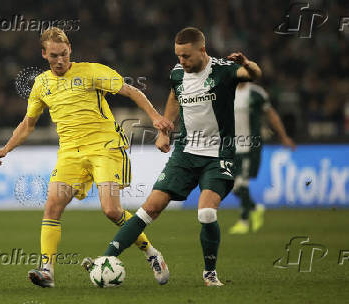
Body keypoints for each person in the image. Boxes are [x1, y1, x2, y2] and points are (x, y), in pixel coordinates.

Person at [0, 27, 173, 288]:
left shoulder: (90, 71)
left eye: (64, 54)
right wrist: (7, 148)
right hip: (70, 153)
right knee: (52, 205)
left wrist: (155, 118)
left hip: (105, 147)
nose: (60, 60)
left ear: (70, 51)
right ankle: (47, 270)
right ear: (44, 54)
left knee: (111, 210)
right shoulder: (41, 84)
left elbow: (132, 91)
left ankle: (152, 254)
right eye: (54, 55)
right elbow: (28, 123)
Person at [82, 27, 262, 286]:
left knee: (207, 214)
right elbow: (174, 97)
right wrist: (165, 129)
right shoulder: (178, 74)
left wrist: (248, 64)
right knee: (149, 209)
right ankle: (105, 258)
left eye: (186, 56)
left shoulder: (224, 70)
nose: (182, 61)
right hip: (185, 154)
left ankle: (209, 273)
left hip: (218, 155)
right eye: (178, 55)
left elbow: (255, 74)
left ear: (202, 50)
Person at [229, 82, 296, 234]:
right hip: (231, 146)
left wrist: (284, 137)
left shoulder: (256, 93)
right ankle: (255, 208)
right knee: (233, 187)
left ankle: (244, 221)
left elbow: (271, 115)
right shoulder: (227, 90)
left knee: (242, 183)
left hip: (250, 146)